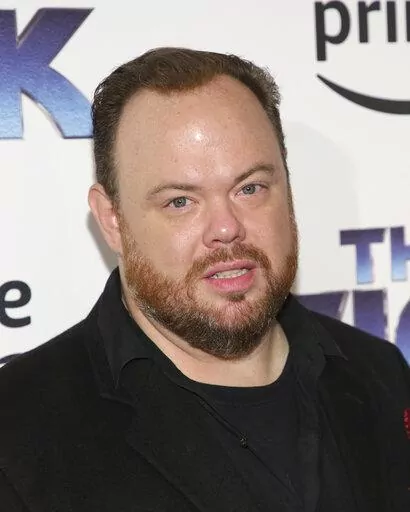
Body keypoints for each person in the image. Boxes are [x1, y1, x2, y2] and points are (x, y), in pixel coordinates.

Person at [0, 47, 409, 512]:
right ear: (112, 220)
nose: (226, 228)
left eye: (250, 188)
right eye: (180, 201)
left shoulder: (379, 374)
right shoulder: (17, 432)